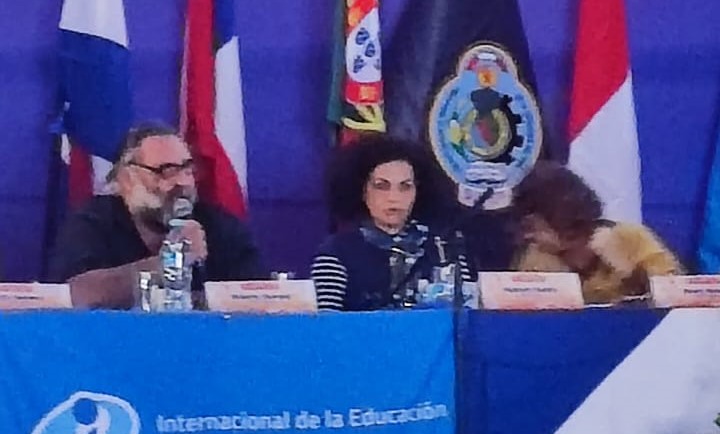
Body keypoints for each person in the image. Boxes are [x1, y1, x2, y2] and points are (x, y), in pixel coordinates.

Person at [49, 122, 263, 308]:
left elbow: (260, 299)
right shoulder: (93, 222)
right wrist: (168, 265)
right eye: (166, 171)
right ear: (126, 179)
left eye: (187, 169)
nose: (182, 183)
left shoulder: (220, 227)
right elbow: (77, 294)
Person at [311, 135, 474, 312]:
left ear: (418, 191)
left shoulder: (446, 247)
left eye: (405, 187)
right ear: (362, 191)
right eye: (381, 186)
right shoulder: (337, 252)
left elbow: (468, 314)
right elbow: (326, 324)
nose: (394, 198)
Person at [511, 162, 681, 304]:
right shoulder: (535, 259)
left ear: (560, 216)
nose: (527, 237)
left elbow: (678, 298)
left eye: (531, 227)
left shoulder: (630, 238)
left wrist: (632, 274)